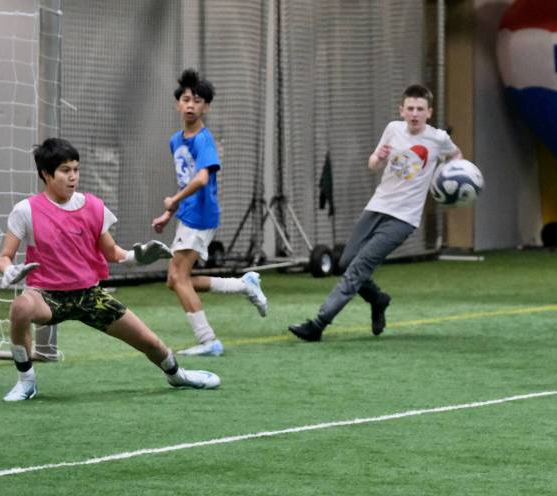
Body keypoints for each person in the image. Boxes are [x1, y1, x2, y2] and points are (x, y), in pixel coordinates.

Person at [0, 138, 220, 402]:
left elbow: (114, 253)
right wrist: (8, 270)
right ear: (46, 174)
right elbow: (4, 257)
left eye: (76, 170)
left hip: (90, 296)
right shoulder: (26, 210)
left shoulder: (93, 206)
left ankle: (176, 374)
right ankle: (26, 381)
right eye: (65, 171)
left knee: (150, 342)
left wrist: (138, 258)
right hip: (46, 295)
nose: (73, 177)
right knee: (20, 308)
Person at [288, 84, 462, 341]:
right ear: (401, 110)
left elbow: (456, 155)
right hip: (377, 207)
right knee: (345, 262)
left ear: (429, 112)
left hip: (404, 219)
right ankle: (378, 300)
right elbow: (373, 165)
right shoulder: (393, 129)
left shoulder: (438, 139)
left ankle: (319, 323)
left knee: (359, 267)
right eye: (410, 108)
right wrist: (378, 157)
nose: (414, 114)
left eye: (420, 109)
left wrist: (453, 177)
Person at [152, 68, 268, 357]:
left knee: (178, 278)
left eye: (198, 101)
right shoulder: (175, 140)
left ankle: (208, 341)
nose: (191, 105)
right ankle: (244, 284)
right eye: (187, 99)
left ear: (206, 107)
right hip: (187, 214)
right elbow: (185, 178)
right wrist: (170, 213)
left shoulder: (204, 139)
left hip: (201, 215)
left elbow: (202, 179)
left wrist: (173, 201)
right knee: (175, 280)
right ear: (177, 103)